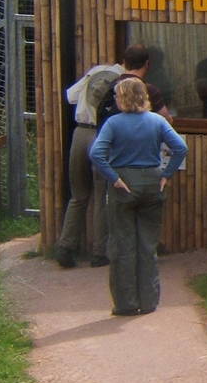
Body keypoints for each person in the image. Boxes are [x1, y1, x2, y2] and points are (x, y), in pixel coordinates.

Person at [90, 76, 186, 316]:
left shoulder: (113, 123)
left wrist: (114, 178)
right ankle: (149, 301)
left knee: (122, 244)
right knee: (147, 245)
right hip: (153, 183)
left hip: (124, 184)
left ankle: (126, 303)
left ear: (122, 98)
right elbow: (180, 148)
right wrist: (166, 174)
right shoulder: (156, 121)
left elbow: (97, 154)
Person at [56, 58, 123, 269]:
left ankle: (66, 246)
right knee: (101, 194)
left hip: (80, 132)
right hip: (101, 135)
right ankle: (99, 253)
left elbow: (71, 97)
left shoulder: (95, 72)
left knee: (79, 194)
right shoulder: (122, 80)